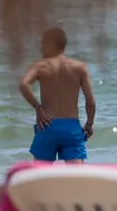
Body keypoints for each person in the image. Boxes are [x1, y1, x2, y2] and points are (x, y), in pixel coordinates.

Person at [19, 28, 95, 164]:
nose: (40, 48)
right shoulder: (79, 67)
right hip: (71, 128)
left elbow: (23, 84)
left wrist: (38, 108)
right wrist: (89, 124)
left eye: (42, 44)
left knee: (41, 178)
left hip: (47, 125)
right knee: (77, 178)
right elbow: (91, 102)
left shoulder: (40, 66)